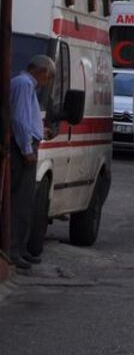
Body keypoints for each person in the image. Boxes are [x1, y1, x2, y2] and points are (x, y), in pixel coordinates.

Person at [9, 55, 55, 270]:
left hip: (26, 145)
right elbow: (19, 119)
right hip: (21, 150)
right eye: (49, 76)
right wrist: (27, 148)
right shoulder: (24, 84)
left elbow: (26, 119)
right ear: (42, 71)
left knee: (26, 201)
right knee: (20, 201)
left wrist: (40, 131)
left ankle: (20, 247)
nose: (47, 81)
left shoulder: (26, 86)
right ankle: (13, 249)